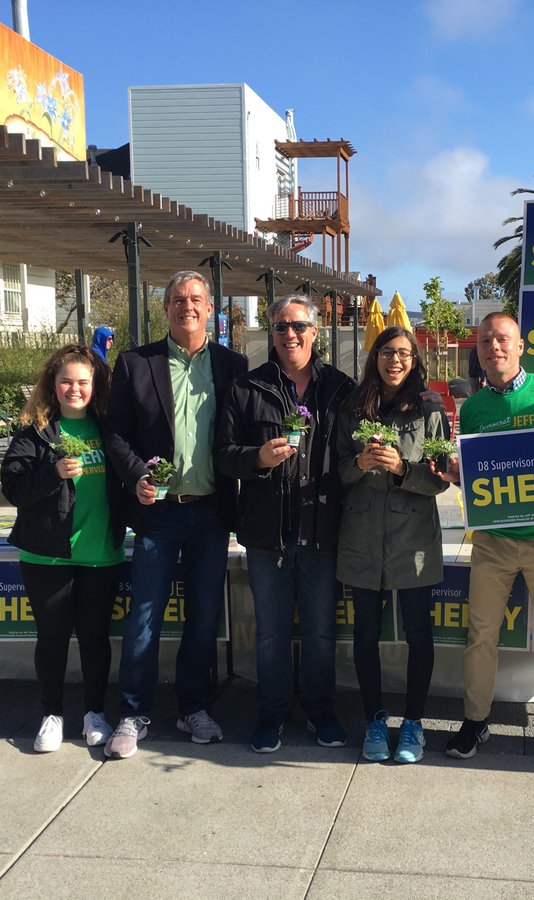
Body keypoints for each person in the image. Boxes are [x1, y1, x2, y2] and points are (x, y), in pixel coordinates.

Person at [100, 271, 248, 760]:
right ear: (165, 309)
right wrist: (137, 475)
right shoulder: (135, 363)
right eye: (178, 300)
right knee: (144, 616)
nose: (187, 306)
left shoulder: (233, 365)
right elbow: (116, 434)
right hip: (157, 513)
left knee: (204, 617)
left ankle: (193, 708)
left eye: (196, 299)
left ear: (210, 310)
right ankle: (133, 712)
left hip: (211, 512)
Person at [439, 312, 534, 764]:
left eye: (503, 339)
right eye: (486, 341)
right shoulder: (473, 409)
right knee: (481, 634)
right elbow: (477, 475)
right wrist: (454, 475)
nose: (494, 347)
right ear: (478, 350)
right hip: (492, 540)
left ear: (521, 345)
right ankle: (475, 720)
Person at [216, 295, 356, 753]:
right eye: (280, 328)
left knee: (319, 632)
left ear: (315, 332)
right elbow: (222, 456)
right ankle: (271, 715)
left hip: (322, 532)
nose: (289, 335)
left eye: (298, 326)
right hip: (266, 535)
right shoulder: (246, 388)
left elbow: (352, 457)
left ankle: (320, 712)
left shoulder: (339, 388)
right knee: (272, 633)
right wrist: (256, 457)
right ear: (271, 334)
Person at [1, 345, 125, 753]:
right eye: (66, 381)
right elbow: (14, 489)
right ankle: (51, 715)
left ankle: (94, 713)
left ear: (95, 386)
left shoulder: (109, 430)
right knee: (52, 638)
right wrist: (52, 472)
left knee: (94, 639)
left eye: (83, 382)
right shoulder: (34, 432)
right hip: (46, 554)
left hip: (100, 553)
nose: (75, 389)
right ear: (52, 387)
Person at [336, 326, 450, 764]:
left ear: (415, 359)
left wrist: (404, 468)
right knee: (366, 635)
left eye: (404, 353)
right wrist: (359, 464)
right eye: (387, 352)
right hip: (362, 537)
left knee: (419, 633)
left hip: (413, 538)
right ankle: (374, 720)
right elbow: (337, 471)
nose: (395, 360)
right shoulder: (351, 407)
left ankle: (414, 723)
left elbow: (440, 480)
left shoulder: (429, 409)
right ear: (375, 357)